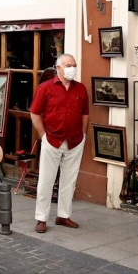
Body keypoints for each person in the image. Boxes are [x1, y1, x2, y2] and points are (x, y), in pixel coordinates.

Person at [30, 53, 89, 233]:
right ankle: (41, 218)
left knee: (69, 181)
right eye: (69, 65)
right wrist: (43, 135)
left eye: (74, 65)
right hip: (52, 139)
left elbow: (85, 113)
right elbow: (34, 112)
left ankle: (63, 216)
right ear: (58, 68)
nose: (73, 68)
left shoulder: (80, 89)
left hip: (75, 140)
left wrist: (83, 133)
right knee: (46, 180)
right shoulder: (45, 88)